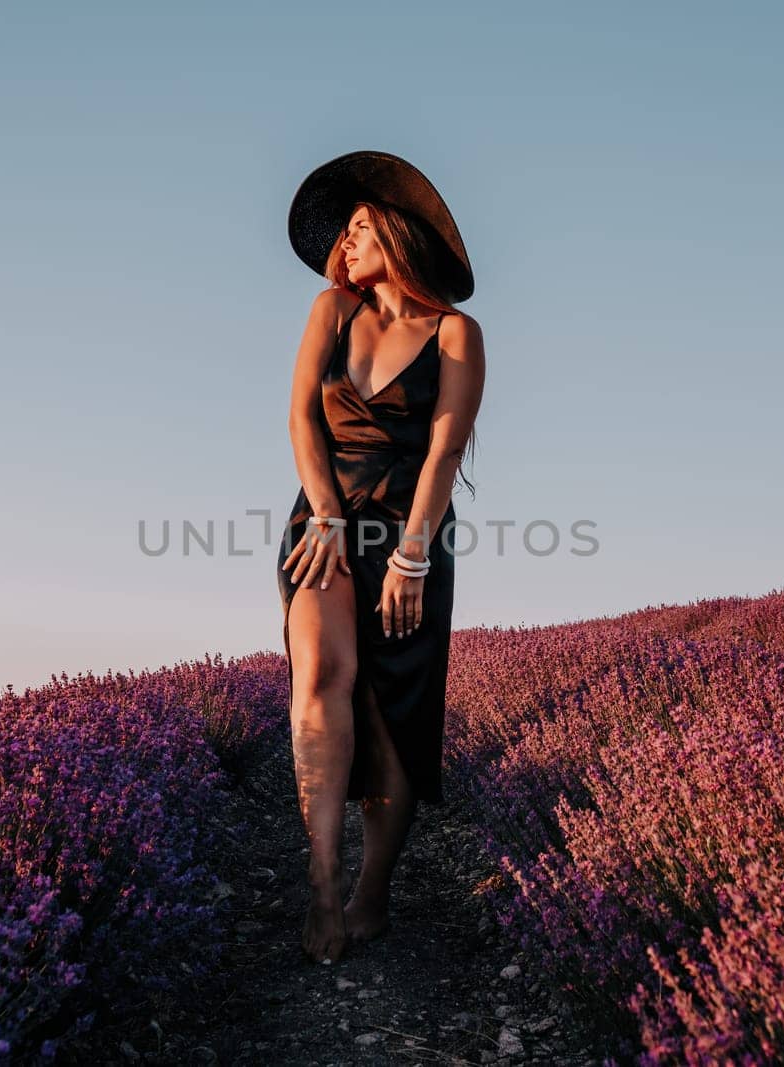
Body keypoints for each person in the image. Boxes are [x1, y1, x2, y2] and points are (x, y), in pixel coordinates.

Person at [276, 150, 486, 965]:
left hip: (410, 537)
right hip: (323, 524)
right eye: (344, 234)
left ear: (396, 235)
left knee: (394, 719)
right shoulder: (329, 310)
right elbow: (300, 419)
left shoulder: (457, 334)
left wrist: (410, 558)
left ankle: (373, 889)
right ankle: (323, 880)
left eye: (360, 229)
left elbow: (445, 450)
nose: (345, 245)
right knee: (322, 675)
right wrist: (325, 515)